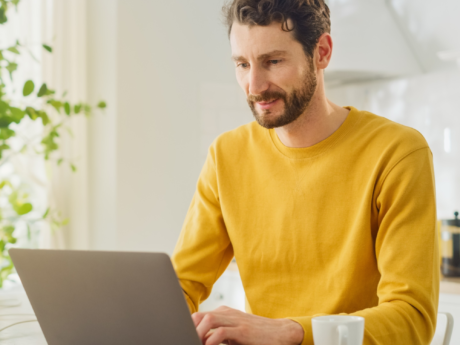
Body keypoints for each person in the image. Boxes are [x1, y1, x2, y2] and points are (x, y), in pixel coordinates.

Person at [172, 0, 439, 344]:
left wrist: (291, 331)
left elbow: (412, 318)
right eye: (242, 64)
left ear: (322, 52)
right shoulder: (226, 156)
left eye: (273, 61)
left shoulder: (397, 152)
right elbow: (180, 285)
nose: (254, 86)